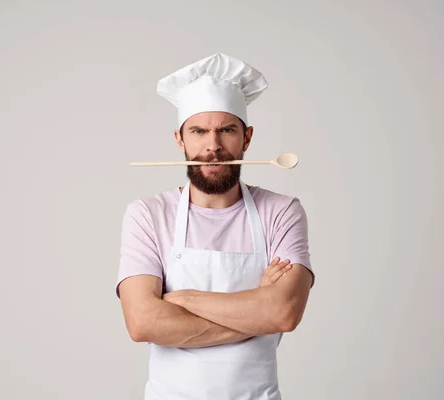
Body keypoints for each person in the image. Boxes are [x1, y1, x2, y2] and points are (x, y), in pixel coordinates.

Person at [115, 53, 315, 400]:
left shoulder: (281, 212)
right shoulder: (147, 215)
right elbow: (143, 323)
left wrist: (183, 300)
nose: (213, 146)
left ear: (247, 138)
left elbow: (283, 312)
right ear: (180, 140)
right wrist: (254, 313)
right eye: (198, 131)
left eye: (227, 130)